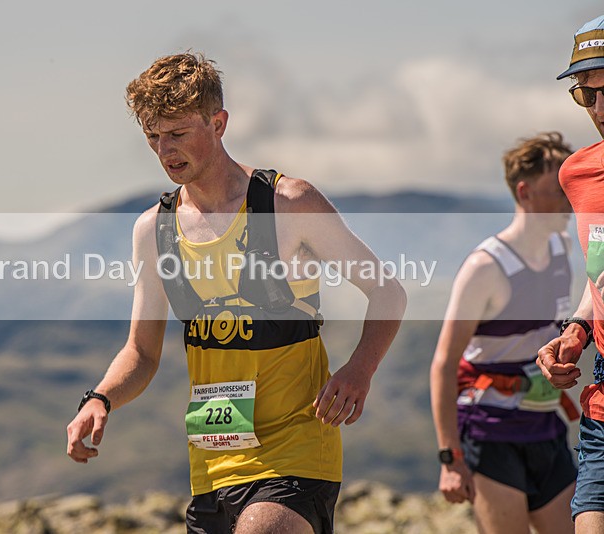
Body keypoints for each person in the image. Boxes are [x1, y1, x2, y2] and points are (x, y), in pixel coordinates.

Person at [65, 52, 406, 534]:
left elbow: (387, 291)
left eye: (178, 133)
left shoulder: (287, 204)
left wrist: (360, 369)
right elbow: (141, 352)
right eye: (153, 137)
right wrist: (98, 398)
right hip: (212, 462)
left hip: (297, 450)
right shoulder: (153, 230)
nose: (165, 150)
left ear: (218, 122)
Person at [430, 133, 577, 533]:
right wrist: (450, 459)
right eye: (557, 191)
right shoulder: (486, 267)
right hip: (490, 431)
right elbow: (444, 364)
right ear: (525, 192)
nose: (568, 201)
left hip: (546, 427)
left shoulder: (564, 248)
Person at [536, 14, 604, 534]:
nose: (598, 109)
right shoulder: (578, 173)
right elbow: (597, 272)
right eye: (588, 94)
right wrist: (576, 332)